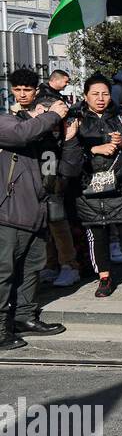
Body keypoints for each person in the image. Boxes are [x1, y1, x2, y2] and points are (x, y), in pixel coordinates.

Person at [64, 74, 122, 298]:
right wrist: (92, 150)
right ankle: (104, 278)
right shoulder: (74, 121)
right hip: (89, 188)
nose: (101, 98)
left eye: (105, 94)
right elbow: (65, 153)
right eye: (95, 94)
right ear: (85, 96)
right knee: (97, 234)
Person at [0, 91, 73, 348]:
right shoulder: (7, 122)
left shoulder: (43, 136)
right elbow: (22, 134)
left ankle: (24, 318)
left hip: (36, 213)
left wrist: (67, 138)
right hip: (8, 214)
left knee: (32, 268)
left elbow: (58, 170)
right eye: (46, 112)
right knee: (4, 272)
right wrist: (53, 114)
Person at [11, 71, 79, 289]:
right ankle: (50, 264)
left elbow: (66, 131)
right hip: (27, 175)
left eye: (27, 90)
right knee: (41, 225)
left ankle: (69, 265)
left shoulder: (49, 105)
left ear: (36, 90)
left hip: (51, 170)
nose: (22, 94)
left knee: (56, 218)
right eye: (18, 90)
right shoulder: (14, 114)